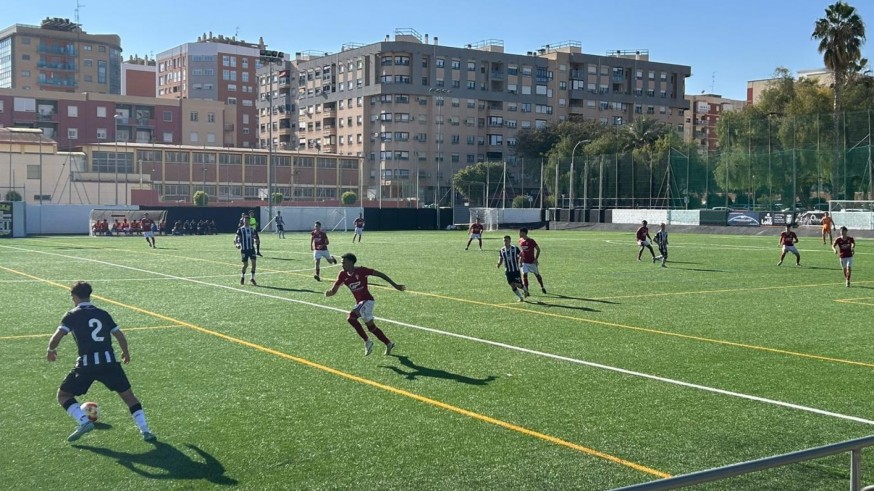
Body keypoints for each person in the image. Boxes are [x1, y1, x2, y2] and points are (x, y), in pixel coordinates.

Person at [46, 281, 156, 443]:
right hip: (110, 363)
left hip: (86, 365)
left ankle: (83, 422)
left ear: (74, 297)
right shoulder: (103, 313)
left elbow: (58, 336)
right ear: (89, 295)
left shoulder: (72, 315)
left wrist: (50, 350)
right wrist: (125, 352)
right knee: (129, 396)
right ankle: (145, 430)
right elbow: (119, 334)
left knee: (63, 395)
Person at [325, 252, 405, 356]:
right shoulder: (342, 275)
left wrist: (395, 285)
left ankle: (367, 341)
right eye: (341, 263)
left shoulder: (361, 270)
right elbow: (334, 290)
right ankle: (388, 343)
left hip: (367, 301)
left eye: (343, 262)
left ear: (351, 262)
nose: (342, 264)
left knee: (351, 318)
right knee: (371, 328)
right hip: (361, 304)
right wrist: (329, 293)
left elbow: (381, 274)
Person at [497, 235, 525, 302]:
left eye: (506, 240)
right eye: (504, 241)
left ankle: (525, 289)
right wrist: (498, 264)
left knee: (517, 284)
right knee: (512, 285)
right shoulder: (502, 250)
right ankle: (521, 297)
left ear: (510, 241)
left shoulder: (515, 248)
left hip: (515, 270)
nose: (505, 242)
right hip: (508, 271)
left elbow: (522, 255)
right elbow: (501, 258)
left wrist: (521, 262)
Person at [518, 227, 546, 295]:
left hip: (531, 262)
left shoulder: (531, 241)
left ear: (524, 233)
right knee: (524, 275)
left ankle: (542, 287)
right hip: (524, 262)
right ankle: (526, 290)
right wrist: (520, 260)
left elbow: (538, 249)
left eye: (520, 232)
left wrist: (536, 259)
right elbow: (522, 251)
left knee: (537, 275)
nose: (519, 234)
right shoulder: (520, 241)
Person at [234, 214, 260, 285]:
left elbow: (255, 237)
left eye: (248, 221)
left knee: (254, 263)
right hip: (244, 250)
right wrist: (237, 244)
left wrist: (255, 240)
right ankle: (242, 276)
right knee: (245, 265)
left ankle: (252, 278)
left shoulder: (252, 229)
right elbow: (236, 238)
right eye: (245, 220)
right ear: (243, 221)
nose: (247, 222)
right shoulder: (240, 229)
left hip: (251, 249)